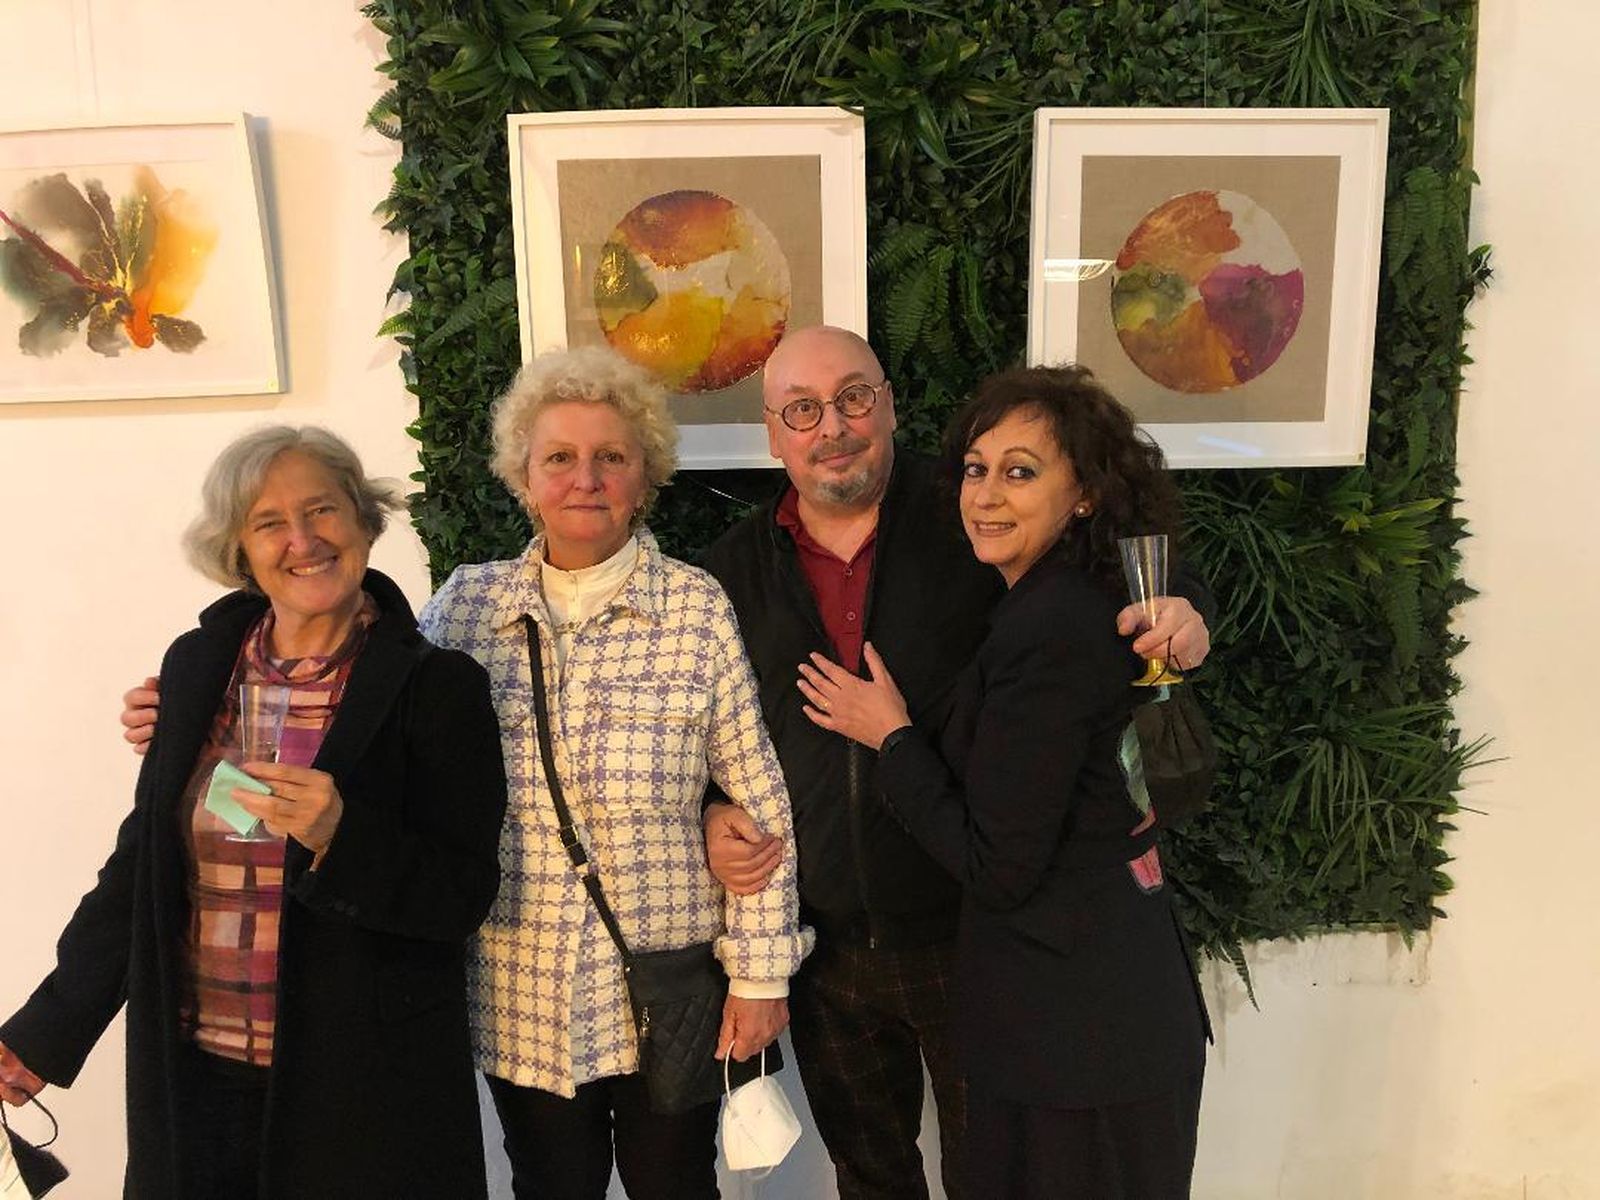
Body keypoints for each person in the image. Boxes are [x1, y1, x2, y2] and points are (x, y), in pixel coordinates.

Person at [699, 326, 1212, 1199]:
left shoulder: (975, 520)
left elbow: (1127, 571)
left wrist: (1186, 615)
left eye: (854, 397)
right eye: (803, 409)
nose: (834, 426)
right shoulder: (725, 574)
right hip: (827, 947)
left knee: (1002, 1175)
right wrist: (712, 815)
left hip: (967, 932)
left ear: (890, 403)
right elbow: (707, 736)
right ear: (773, 430)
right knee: (871, 1178)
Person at [0, 426, 507, 1198]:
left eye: (323, 511)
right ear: (241, 551)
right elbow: (144, 866)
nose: (303, 540)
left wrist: (342, 836)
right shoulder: (197, 667)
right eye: (269, 523)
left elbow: (461, 896)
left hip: (360, 1090)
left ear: (366, 521)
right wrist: (46, 1031)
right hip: (197, 1075)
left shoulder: (437, 687)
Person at [421, 346, 811, 1198]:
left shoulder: (694, 607)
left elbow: (758, 798)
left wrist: (760, 974)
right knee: (549, 1189)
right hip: (520, 989)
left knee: (676, 1186)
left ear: (645, 478)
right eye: (559, 457)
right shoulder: (468, 608)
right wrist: (208, 701)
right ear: (524, 477)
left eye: (611, 458)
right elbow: (375, 723)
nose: (584, 479)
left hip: (667, 982)